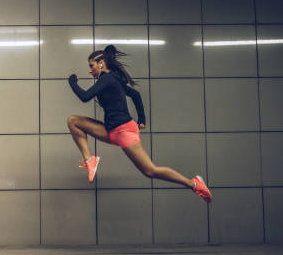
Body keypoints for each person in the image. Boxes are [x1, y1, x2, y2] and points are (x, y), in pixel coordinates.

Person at [67, 45, 212, 203]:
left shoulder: (107, 78)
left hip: (123, 131)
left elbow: (85, 96)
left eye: (91, 66)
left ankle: (193, 183)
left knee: (150, 171)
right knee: (73, 121)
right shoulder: (112, 79)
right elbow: (135, 95)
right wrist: (142, 120)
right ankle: (90, 160)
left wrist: (72, 81)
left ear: (101, 63)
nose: (90, 70)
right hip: (111, 131)